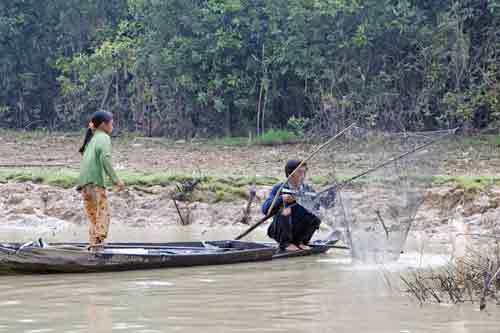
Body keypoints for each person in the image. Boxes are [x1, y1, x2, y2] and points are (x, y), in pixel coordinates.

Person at [78, 111, 125, 249]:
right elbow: (105, 159)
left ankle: (94, 247)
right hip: (96, 183)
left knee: (94, 218)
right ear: (104, 125)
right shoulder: (104, 137)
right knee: (104, 214)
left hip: (84, 185)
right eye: (111, 123)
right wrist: (116, 180)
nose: (113, 126)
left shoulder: (91, 140)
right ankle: (98, 242)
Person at [262, 160, 322, 252]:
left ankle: (301, 242)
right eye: (300, 172)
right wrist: (281, 199)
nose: (303, 175)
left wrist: (330, 196)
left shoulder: (307, 189)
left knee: (316, 213)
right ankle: (285, 243)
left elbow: (320, 205)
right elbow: (265, 209)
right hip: (280, 229)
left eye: (305, 172)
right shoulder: (280, 188)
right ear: (290, 174)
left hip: (298, 228)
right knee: (286, 210)